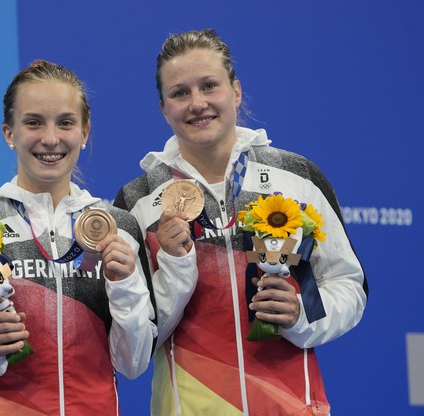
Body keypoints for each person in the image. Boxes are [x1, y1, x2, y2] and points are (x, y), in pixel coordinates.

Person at [113, 29, 368, 415]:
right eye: (180, 93)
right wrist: (175, 265)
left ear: (236, 91)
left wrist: (302, 313)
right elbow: (135, 344)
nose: (197, 103)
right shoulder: (139, 202)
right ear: (164, 108)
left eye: (209, 86)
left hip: (291, 407)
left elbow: (348, 284)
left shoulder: (297, 178)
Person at [0, 60, 157, 415]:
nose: (50, 138)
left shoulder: (117, 227)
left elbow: (133, 364)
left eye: (66, 123)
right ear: (10, 133)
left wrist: (126, 286)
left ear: (85, 132)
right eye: (34, 122)